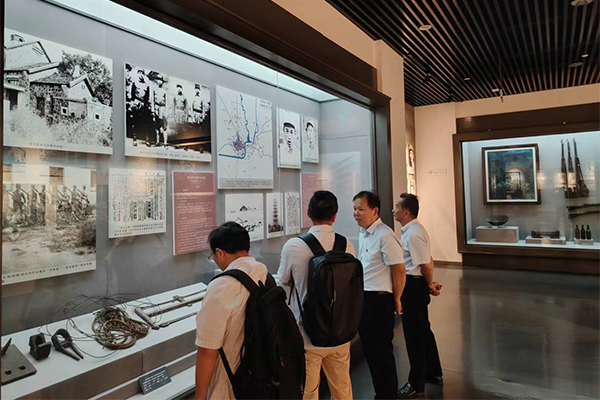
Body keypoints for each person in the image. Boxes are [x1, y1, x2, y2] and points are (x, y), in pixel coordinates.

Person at [277, 190, 355, 400]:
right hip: (340, 330)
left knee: (309, 392)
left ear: (308, 213)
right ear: (335, 215)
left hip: (307, 334)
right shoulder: (346, 245)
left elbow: (283, 280)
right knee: (342, 388)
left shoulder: (294, 246)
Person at [195, 222, 269, 400]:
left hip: (232, 383)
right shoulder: (262, 271)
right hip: (262, 373)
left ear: (220, 252)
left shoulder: (221, 286)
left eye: (212, 255)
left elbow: (207, 351)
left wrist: (199, 397)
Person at [353, 190, 405, 400]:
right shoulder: (364, 232)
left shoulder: (385, 235)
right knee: (371, 353)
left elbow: (399, 270)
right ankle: (381, 394)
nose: (356, 214)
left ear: (375, 211)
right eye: (354, 209)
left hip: (380, 300)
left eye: (361, 209)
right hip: (365, 299)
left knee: (382, 353)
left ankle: (388, 395)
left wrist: (397, 299)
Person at [394, 193, 443, 399]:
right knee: (423, 330)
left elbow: (425, 264)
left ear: (406, 212)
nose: (394, 210)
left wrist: (429, 283)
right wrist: (428, 283)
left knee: (414, 335)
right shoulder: (413, 230)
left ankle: (416, 384)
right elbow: (427, 260)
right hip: (416, 284)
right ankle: (433, 371)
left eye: (397, 207)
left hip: (413, 286)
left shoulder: (413, 234)